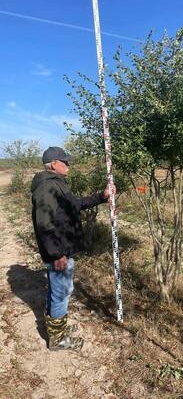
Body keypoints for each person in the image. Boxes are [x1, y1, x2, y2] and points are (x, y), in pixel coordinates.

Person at [31, 146, 112, 351]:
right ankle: (57, 340)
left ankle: (57, 328)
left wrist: (101, 197)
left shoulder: (57, 185)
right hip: (58, 252)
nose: (69, 164)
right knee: (61, 292)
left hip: (62, 249)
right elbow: (44, 224)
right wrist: (57, 254)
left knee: (57, 291)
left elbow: (75, 204)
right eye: (65, 161)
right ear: (54, 164)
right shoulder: (47, 188)